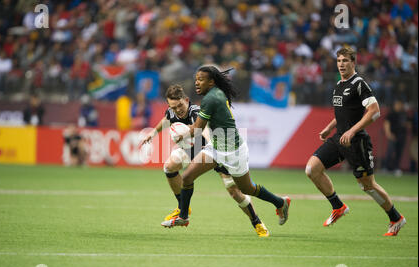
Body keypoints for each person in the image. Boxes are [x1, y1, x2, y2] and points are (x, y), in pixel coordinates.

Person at [159, 67, 291, 231]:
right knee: (186, 177)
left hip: (233, 151)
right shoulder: (216, 92)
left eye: (200, 79)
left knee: (246, 188)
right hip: (215, 147)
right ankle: (183, 217)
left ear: (211, 82)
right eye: (196, 79)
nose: (196, 83)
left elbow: (198, 128)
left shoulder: (210, 99)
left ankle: (280, 202)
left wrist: (182, 135)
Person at [142, 84, 270, 237]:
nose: (177, 110)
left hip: (213, 151)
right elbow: (166, 119)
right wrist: (153, 133)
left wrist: (211, 145)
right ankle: (183, 208)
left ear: (186, 100)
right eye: (173, 107)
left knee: (234, 191)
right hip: (191, 150)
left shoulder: (195, 111)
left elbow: (204, 129)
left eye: (179, 105)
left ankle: (256, 222)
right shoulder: (171, 111)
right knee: (169, 167)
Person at [305, 47, 406, 236]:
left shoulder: (359, 84)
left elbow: (374, 111)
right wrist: (329, 127)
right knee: (312, 169)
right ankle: (338, 207)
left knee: (367, 185)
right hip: (339, 138)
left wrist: (352, 131)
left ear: (353, 63)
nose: (341, 64)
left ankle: (396, 218)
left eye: (345, 61)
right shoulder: (338, 84)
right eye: (339, 61)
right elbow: (343, 113)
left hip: (356, 142)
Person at [383, 100, 408, 176]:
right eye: (397, 104)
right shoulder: (391, 114)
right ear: (394, 105)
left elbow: (408, 123)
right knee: (390, 152)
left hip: (402, 136)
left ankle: (396, 168)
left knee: (399, 153)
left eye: (400, 104)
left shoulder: (403, 114)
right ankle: (386, 168)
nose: (399, 106)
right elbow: (386, 123)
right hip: (393, 135)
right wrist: (389, 134)